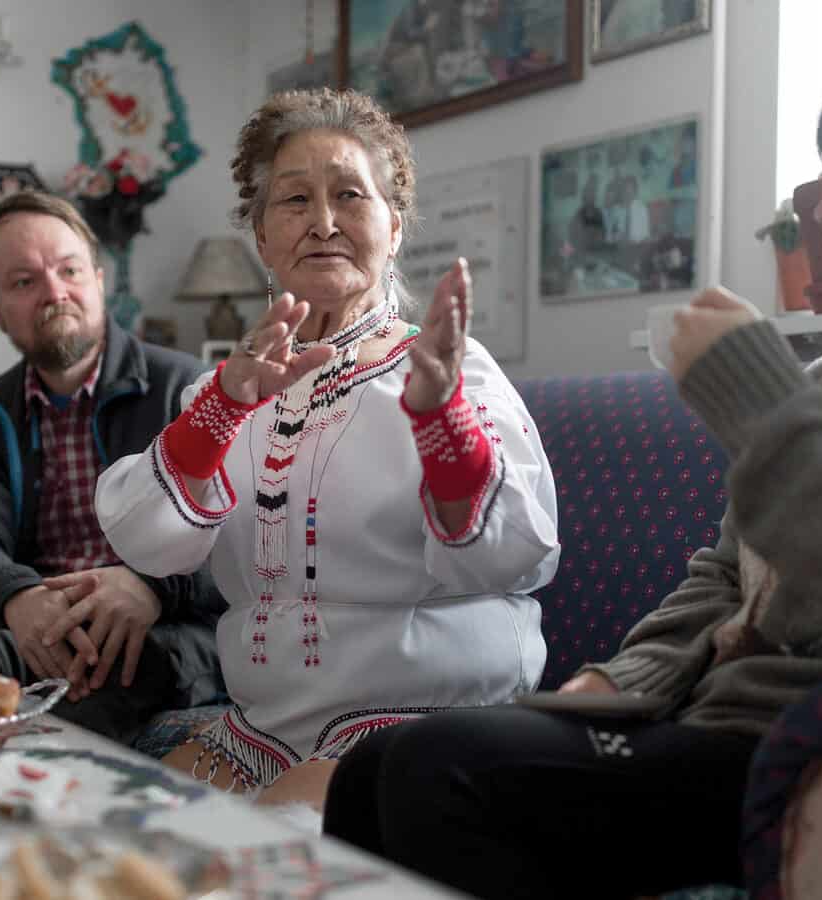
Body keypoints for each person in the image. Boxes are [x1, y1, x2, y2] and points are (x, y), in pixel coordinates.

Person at [322, 38, 822, 899]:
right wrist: (624, 677)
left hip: (805, 756)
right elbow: (725, 577)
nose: (819, 201)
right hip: (697, 726)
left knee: (433, 768)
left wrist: (766, 406)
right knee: (371, 768)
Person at [94, 88, 560, 811]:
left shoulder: (449, 370)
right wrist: (222, 410)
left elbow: (515, 552)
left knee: (262, 845)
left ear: (394, 227)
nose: (323, 223)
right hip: (267, 724)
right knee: (132, 825)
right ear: (262, 240)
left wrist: (439, 424)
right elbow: (150, 541)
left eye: (350, 195)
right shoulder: (233, 388)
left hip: (427, 707)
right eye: (293, 201)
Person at [0, 190, 223, 743]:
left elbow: (241, 541)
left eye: (68, 270)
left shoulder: (186, 388)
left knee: (109, 665)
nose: (54, 292)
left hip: (157, 622)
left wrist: (149, 587)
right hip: (34, 615)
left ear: (97, 277)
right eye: (24, 281)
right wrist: (18, 597)